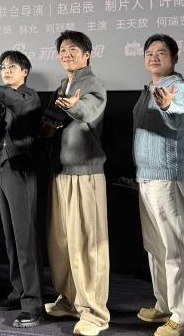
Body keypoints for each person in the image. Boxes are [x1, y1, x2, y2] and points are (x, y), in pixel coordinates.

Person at [43, 30, 110, 336]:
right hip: (62, 172)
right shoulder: (63, 85)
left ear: (87, 55)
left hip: (86, 173)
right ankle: (70, 299)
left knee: (88, 244)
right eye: (63, 50)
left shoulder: (92, 84)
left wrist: (72, 105)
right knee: (62, 242)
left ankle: (95, 313)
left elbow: (88, 111)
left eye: (73, 50)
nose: (67, 54)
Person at [132, 34, 184, 336]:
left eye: (161, 52)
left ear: (174, 58)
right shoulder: (149, 88)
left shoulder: (179, 89)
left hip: (168, 178)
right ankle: (166, 305)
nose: (154, 57)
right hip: (147, 177)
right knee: (156, 248)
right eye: (149, 52)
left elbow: (179, 119)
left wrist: (168, 105)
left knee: (177, 250)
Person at [0, 50, 43, 329]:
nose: (6, 70)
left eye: (12, 66)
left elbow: (21, 107)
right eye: (3, 66)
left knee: (25, 240)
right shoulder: (3, 102)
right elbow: (6, 131)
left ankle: (33, 304)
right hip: (2, 169)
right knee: (11, 239)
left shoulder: (29, 96)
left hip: (21, 171)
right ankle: (18, 292)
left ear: (25, 71)